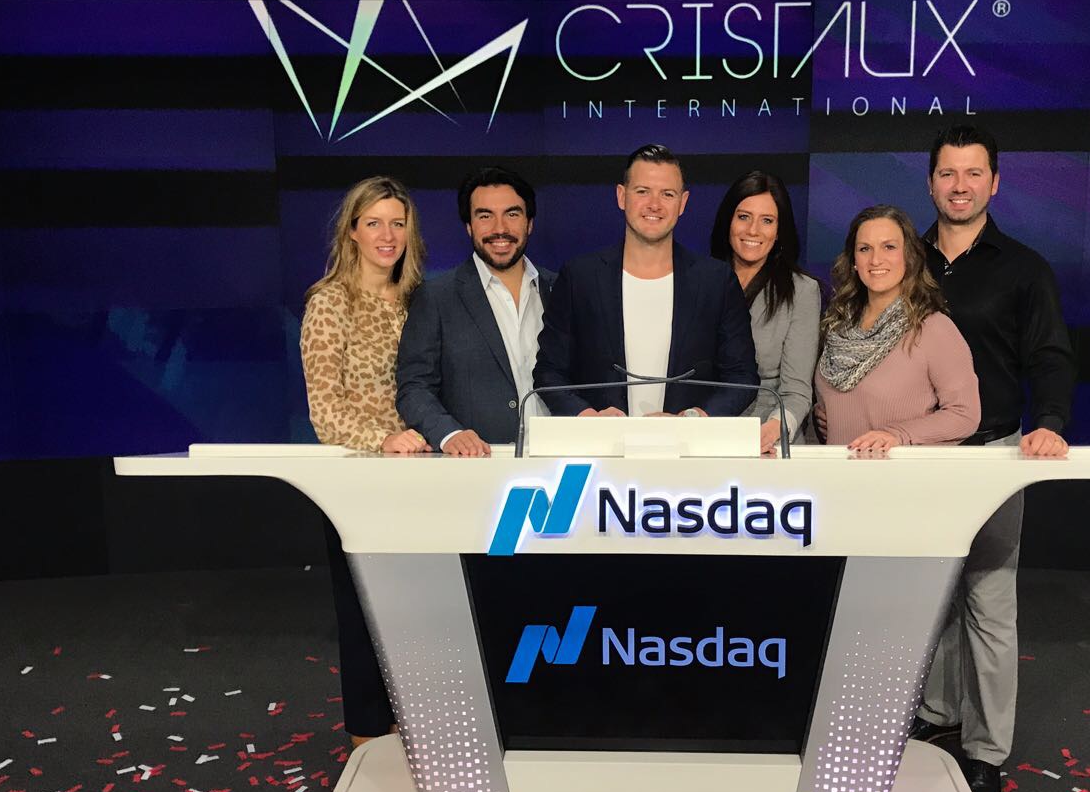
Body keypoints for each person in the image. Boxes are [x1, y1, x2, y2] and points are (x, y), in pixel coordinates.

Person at [908, 123, 1076, 792]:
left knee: (987, 601)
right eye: (948, 173)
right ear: (930, 183)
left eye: (973, 173)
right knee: (929, 595)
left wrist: (1051, 421)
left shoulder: (1024, 268)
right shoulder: (903, 258)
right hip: (916, 458)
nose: (960, 185)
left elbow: (1051, 355)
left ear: (995, 183)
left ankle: (984, 752)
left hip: (990, 455)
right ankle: (937, 711)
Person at [299, 175, 428, 746]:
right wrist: (385, 439)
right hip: (357, 482)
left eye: (397, 223)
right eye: (374, 223)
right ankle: (368, 735)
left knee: (414, 611)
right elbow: (325, 411)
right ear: (352, 231)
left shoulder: (420, 300)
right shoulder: (330, 303)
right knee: (364, 611)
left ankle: (412, 722)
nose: (387, 235)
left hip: (419, 478)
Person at [534, 143, 758, 417]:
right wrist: (589, 417)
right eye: (642, 191)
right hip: (603, 442)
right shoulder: (579, 277)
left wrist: (693, 419)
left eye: (667, 194)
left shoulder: (716, 281)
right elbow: (549, 371)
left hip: (688, 443)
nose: (654, 204)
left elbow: (742, 378)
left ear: (683, 203)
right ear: (621, 196)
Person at [395, 166, 552, 454]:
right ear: (469, 226)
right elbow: (414, 388)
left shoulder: (560, 289)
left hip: (559, 459)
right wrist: (449, 433)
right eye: (485, 216)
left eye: (512, 214)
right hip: (478, 463)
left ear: (529, 223)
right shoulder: (436, 297)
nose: (500, 228)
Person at [814, 204, 979, 457]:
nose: (875, 260)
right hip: (837, 475)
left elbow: (965, 414)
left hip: (900, 476)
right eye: (864, 249)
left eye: (889, 247)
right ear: (854, 261)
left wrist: (897, 435)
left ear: (909, 257)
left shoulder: (932, 328)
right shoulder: (837, 326)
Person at [708, 170, 821, 454]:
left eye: (767, 220)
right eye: (744, 217)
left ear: (779, 230)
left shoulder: (802, 291)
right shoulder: (699, 281)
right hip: (703, 438)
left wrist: (773, 429)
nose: (753, 230)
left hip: (768, 444)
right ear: (728, 221)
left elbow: (796, 392)